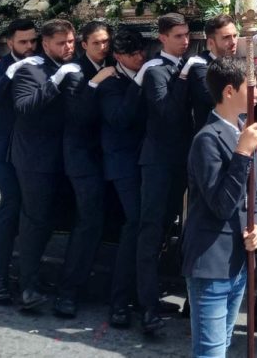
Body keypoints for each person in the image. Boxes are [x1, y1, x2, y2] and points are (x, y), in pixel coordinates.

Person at [182, 53, 257, 358]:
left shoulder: (244, 129)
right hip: (210, 262)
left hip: (239, 261)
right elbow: (221, 205)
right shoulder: (207, 139)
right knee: (212, 351)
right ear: (229, 91)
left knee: (225, 342)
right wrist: (242, 154)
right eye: (251, 87)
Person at [9, 18, 78, 312]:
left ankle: (35, 274)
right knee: (34, 221)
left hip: (63, 157)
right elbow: (25, 106)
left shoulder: (70, 67)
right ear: (46, 44)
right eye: (61, 43)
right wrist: (56, 81)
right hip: (34, 158)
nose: (68, 47)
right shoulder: (30, 69)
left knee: (51, 220)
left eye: (71, 42)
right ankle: (27, 285)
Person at [136, 13, 194, 337]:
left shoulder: (186, 66)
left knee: (165, 230)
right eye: (178, 36)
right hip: (157, 161)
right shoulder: (156, 70)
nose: (185, 41)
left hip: (179, 161)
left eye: (187, 35)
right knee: (150, 230)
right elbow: (166, 113)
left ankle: (154, 294)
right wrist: (183, 78)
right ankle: (147, 306)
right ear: (162, 38)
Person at [55, 20, 114, 318]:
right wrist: (95, 83)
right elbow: (77, 115)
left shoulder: (111, 66)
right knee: (87, 221)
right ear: (83, 44)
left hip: (107, 156)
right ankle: (68, 291)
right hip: (82, 158)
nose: (103, 47)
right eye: (97, 43)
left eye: (106, 42)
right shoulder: (75, 71)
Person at [0, 18, 38, 304]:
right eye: (23, 42)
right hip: (3, 149)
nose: (29, 46)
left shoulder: (38, 63)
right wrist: (9, 74)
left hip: (30, 149)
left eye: (33, 41)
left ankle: (25, 275)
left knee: (29, 210)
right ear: (9, 43)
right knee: (11, 205)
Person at [98, 27, 149, 329]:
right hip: (122, 163)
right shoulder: (111, 82)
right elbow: (119, 118)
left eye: (142, 52)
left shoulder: (143, 73)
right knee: (134, 224)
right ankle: (119, 300)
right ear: (118, 56)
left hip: (144, 161)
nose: (140, 57)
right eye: (132, 54)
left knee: (145, 226)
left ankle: (141, 295)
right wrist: (138, 83)